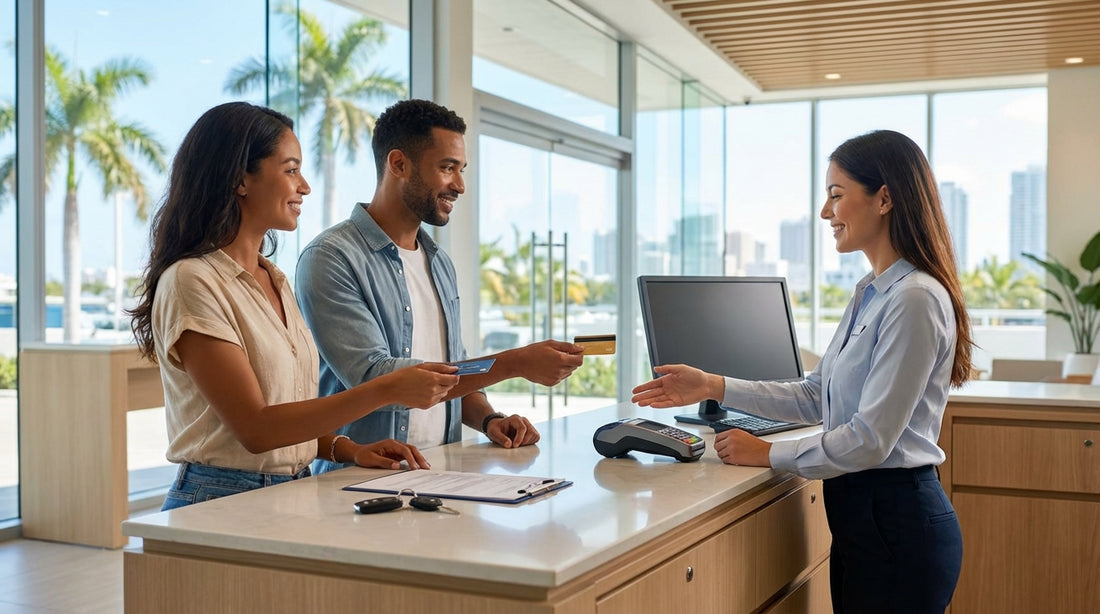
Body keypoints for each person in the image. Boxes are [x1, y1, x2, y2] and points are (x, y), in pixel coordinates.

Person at [632, 129, 970, 613]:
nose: (825, 212)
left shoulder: (914, 298)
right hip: (866, 520)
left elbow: (871, 439)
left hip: (898, 524)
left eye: (836, 195)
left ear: (885, 198)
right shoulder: (870, 292)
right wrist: (713, 385)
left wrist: (769, 454)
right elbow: (816, 395)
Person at [128, 102, 460, 510]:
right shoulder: (192, 281)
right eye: (290, 170)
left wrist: (347, 448)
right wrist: (387, 387)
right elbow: (256, 428)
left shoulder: (276, 279)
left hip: (290, 493)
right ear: (240, 179)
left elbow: (286, 414)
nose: (304, 186)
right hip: (218, 499)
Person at [295, 99, 584, 474]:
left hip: (441, 474)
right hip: (359, 485)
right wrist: (514, 363)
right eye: (447, 168)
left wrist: (488, 420)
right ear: (398, 164)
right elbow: (375, 379)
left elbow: (452, 373)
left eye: (461, 169)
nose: (459, 185)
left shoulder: (439, 262)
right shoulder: (331, 257)